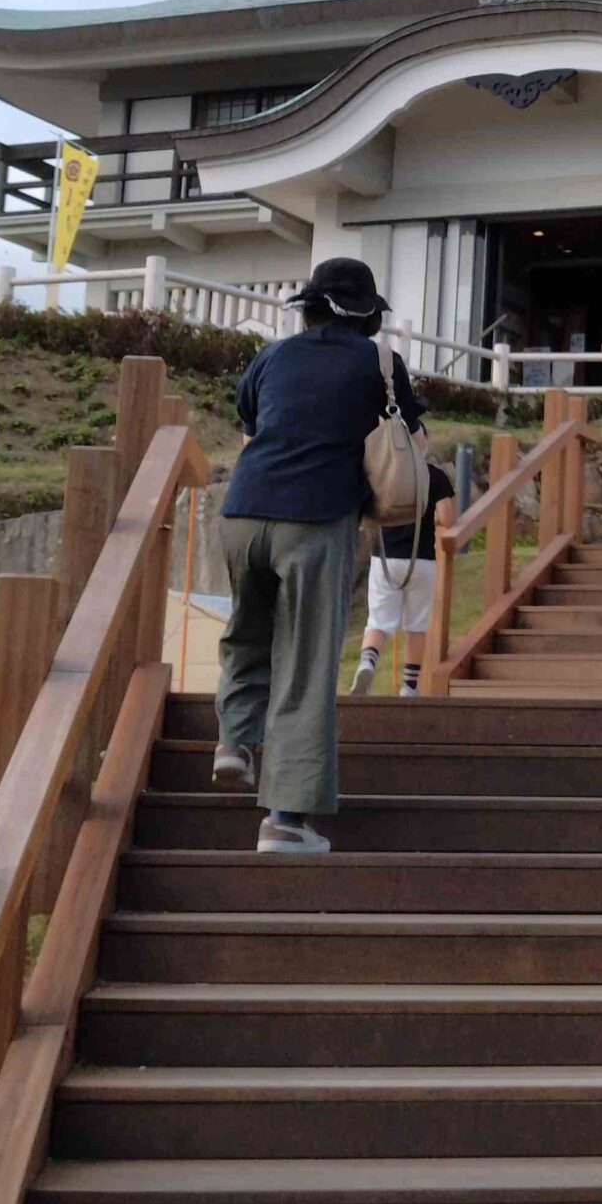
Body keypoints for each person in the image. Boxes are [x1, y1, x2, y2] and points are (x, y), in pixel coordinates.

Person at [213, 256, 419, 853]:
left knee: (246, 632)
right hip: (315, 518)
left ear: (307, 307)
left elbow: (250, 423)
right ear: (367, 315)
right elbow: (409, 439)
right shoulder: (379, 363)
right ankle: (285, 820)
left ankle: (234, 740)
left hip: (242, 512)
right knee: (306, 665)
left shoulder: (272, 356)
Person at [352, 425, 453, 697]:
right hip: (421, 560)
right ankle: (409, 687)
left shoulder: (381, 474)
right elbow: (447, 517)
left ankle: (368, 661)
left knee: (378, 620)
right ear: (423, 443)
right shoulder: (435, 476)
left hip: (384, 557)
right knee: (417, 625)